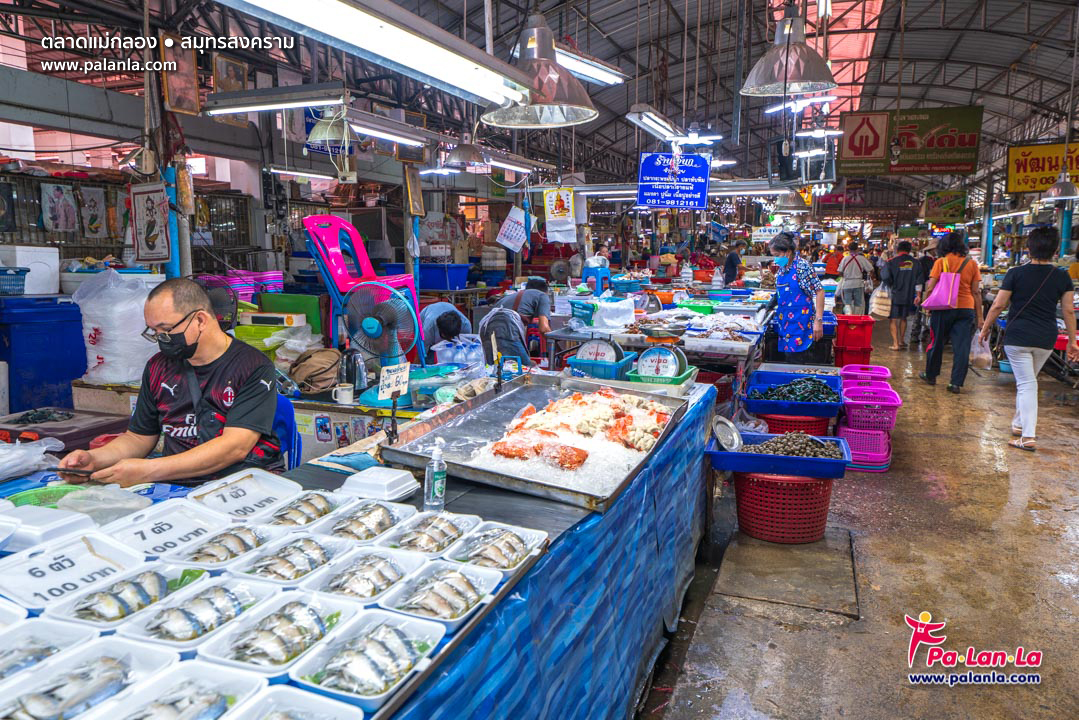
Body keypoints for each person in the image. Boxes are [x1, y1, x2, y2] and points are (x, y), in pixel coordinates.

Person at [58, 278, 281, 486]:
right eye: (154, 332)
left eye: (166, 330)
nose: (160, 339)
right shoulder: (157, 367)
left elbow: (234, 448)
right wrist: (94, 459)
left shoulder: (253, 366)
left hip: (242, 484)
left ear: (200, 320)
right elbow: (138, 437)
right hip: (177, 484)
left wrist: (149, 470)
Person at [978, 227, 1079, 451]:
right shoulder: (1063, 276)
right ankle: (1018, 424)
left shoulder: (1015, 273)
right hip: (1045, 337)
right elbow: (1069, 311)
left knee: (1026, 383)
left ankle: (1027, 436)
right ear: (1055, 250)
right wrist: (1072, 341)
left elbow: (998, 305)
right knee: (1028, 381)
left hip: (1018, 337)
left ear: (1028, 248)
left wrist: (985, 328)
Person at [919, 231, 982, 393]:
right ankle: (956, 383)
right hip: (966, 308)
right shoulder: (972, 264)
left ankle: (931, 375)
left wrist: (927, 306)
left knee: (937, 342)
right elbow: (976, 292)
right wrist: (980, 316)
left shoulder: (941, 262)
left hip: (943, 308)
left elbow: (931, 286)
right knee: (962, 347)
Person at [769, 232, 826, 361]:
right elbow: (781, 291)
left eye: (777, 256)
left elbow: (820, 292)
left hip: (802, 324)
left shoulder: (802, 267)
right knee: (789, 361)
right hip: (786, 324)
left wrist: (818, 321)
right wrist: (769, 305)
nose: (775, 260)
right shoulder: (783, 268)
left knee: (797, 361)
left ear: (788, 252)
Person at [479, 277, 552, 366]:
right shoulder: (542, 296)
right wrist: (553, 347)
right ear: (545, 291)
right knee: (525, 367)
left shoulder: (513, 296)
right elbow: (544, 329)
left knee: (494, 368)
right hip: (506, 327)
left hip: (485, 328)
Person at [881, 241, 924, 351]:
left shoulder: (891, 262)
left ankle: (895, 344)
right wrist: (918, 295)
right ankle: (901, 341)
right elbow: (919, 281)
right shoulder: (916, 263)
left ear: (897, 250)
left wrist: (891, 284)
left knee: (893, 319)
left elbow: (885, 277)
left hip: (894, 294)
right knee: (904, 318)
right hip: (909, 294)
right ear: (909, 250)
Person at [837, 242, 874, 315]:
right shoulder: (861, 258)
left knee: (847, 303)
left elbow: (839, 272)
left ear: (848, 249)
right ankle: (857, 320)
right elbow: (871, 269)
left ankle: (848, 319)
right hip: (858, 284)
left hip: (847, 284)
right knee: (858, 303)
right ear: (857, 249)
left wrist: (845, 275)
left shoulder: (845, 258)